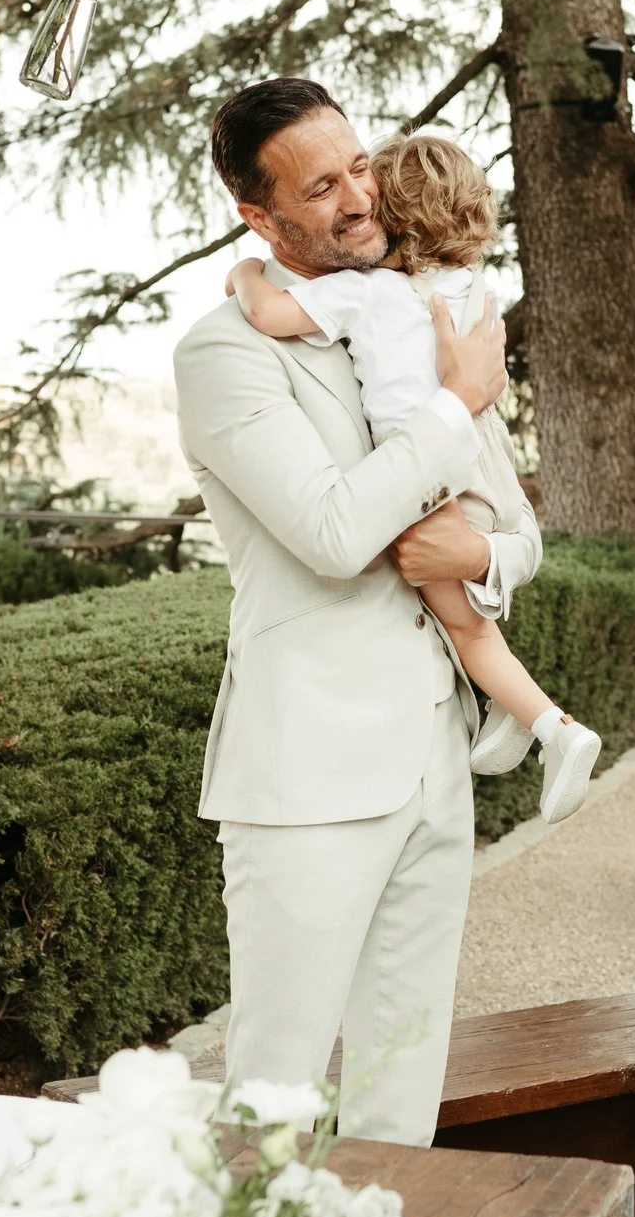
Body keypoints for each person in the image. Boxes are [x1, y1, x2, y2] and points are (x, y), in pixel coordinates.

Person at [174, 77, 542, 1145]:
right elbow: (334, 534)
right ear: (260, 214)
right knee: (273, 1095)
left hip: (435, 755)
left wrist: (479, 554)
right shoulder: (225, 352)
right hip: (308, 774)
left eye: (360, 166)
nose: (356, 196)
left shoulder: (429, 312)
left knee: (401, 1074)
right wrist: (455, 401)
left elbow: (515, 533)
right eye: (321, 184)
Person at [226, 131, 600, 823]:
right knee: (470, 626)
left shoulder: (364, 292)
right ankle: (511, 710)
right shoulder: (474, 292)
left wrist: (245, 272)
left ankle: (555, 727)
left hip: (424, 482)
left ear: (388, 213)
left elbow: (267, 312)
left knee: (470, 633)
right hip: (473, 475)